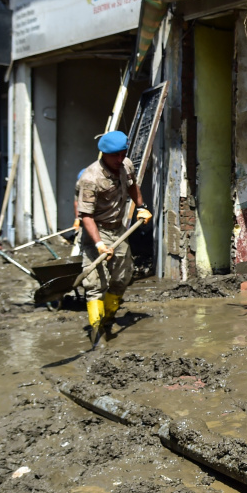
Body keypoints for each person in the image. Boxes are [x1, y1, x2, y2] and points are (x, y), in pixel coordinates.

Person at [77, 131, 152, 344]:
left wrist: (141, 206)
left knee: (121, 278)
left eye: (123, 154)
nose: (120, 159)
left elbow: (132, 186)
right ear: (103, 154)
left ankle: (108, 319)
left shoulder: (126, 165)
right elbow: (86, 216)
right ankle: (96, 332)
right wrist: (99, 244)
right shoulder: (90, 178)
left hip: (119, 229)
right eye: (115, 156)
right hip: (96, 231)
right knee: (95, 283)